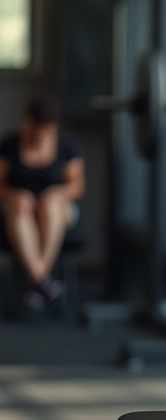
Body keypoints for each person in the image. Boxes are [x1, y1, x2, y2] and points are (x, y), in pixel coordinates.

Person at [0, 95, 85, 310]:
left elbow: (77, 186)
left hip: (58, 210)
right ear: (26, 122)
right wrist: (14, 194)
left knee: (49, 204)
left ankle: (37, 281)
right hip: (20, 210)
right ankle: (43, 281)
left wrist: (57, 193)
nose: (39, 136)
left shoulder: (66, 146)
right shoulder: (9, 145)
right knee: (19, 208)